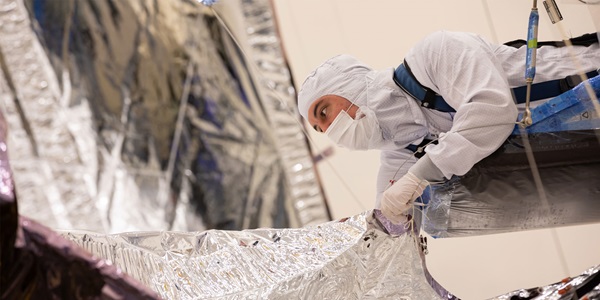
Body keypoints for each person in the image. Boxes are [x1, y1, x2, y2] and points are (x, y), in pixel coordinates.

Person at [296, 30, 600, 223]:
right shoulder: (402, 151)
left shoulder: (433, 56)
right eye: (321, 129)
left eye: (324, 111)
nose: (331, 128)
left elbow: (491, 111)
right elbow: (387, 220)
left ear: (349, 86)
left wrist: (422, 175)